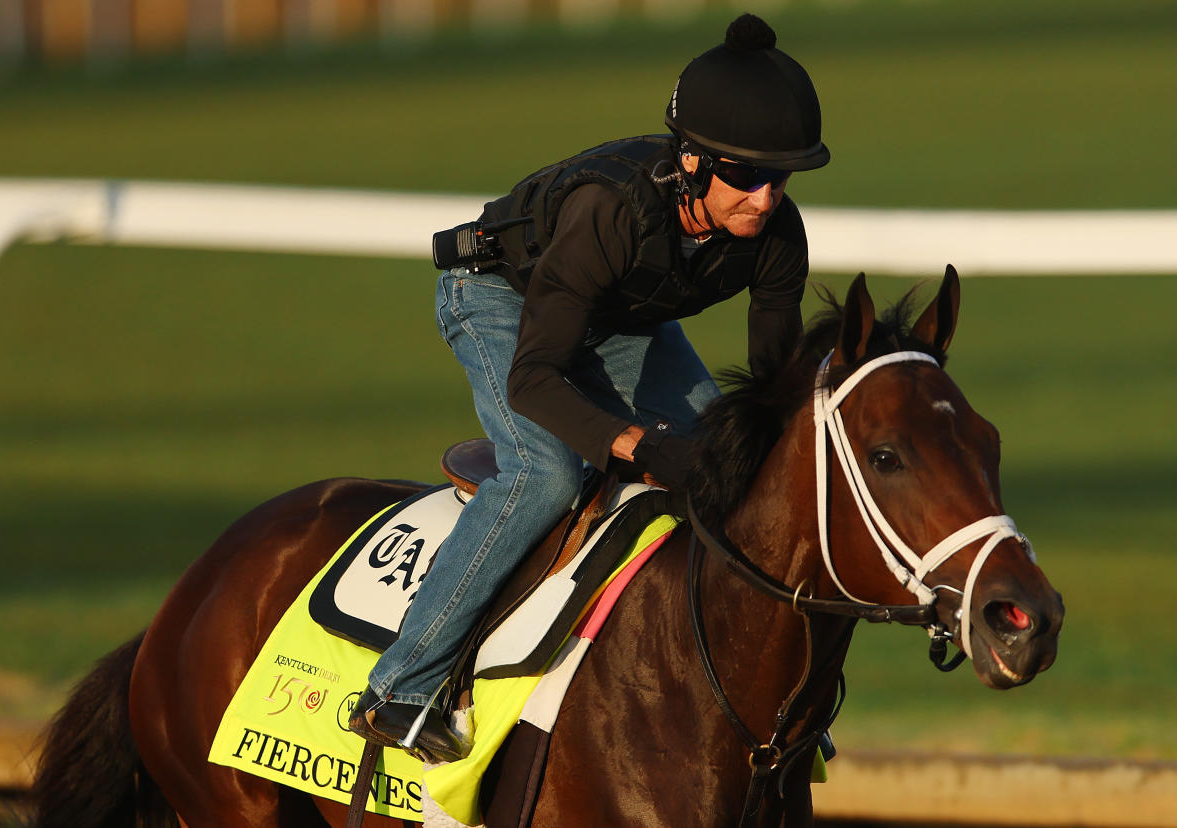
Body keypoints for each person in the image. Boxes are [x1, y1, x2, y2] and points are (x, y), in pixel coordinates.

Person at [350, 12, 831, 761]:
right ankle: (399, 687)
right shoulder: (609, 211)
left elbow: (770, 391)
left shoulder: (774, 236)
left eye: (780, 177)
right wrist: (636, 444)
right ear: (694, 161)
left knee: (740, 471)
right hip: (500, 300)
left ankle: (759, 703)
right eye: (744, 176)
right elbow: (536, 378)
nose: (765, 200)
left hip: (624, 319)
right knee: (546, 472)